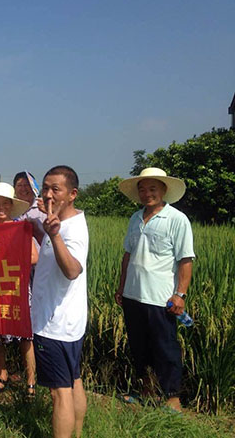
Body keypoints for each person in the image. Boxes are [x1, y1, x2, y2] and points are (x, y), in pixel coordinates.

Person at [115, 167, 195, 413]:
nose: (147, 193)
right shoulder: (135, 218)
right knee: (139, 347)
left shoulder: (176, 219)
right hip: (132, 295)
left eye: (152, 188)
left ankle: (172, 399)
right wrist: (121, 287)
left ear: (164, 190)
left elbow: (185, 259)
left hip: (160, 298)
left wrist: (180, 295)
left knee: (165, 347)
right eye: (142, 189)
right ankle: (146, 392)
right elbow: (127, 256)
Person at [31, 166, 88, 438]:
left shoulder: (69, 230)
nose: (49, 194)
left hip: (54, 325)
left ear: (72, 194)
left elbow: (73, 270)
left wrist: (54, 235)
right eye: (45, 188)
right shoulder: (62, 221)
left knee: (59, 392)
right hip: (69, 323)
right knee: (73, 380)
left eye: (56, 189)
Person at [0, 182, 38, 397]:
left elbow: (34, 257)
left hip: (16, 288)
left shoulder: (21, 228)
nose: (0, 208)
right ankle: (2, 374)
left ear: (11, 206)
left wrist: (8, 258)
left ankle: (31, 380)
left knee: (25, 335)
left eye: (5, 203)